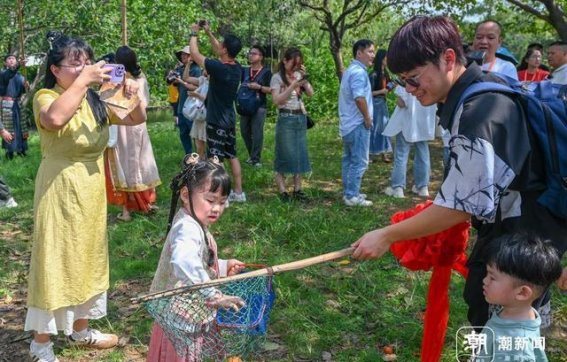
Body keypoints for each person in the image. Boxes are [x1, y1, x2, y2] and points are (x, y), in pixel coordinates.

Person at [352, 16, 567, 331]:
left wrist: (387, 235)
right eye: (402, 82)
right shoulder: (478, 92)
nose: (409, 90)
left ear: (448, 59)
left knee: (500, 321)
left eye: (413, 78)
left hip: (523, 239)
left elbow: (460, 206)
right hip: (525, 230)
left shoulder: (483, 111)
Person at [25, 34, 146, 362]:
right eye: (75, 63)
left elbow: (136, 119)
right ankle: (41, 342)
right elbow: (54, 119)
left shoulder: (97, 98)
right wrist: (85, 81)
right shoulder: (46, 95)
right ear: (55, 69)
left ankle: (81, 329)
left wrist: (131, 93)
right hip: (59, 188)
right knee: (55, 259)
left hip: (91, 190)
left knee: (87, 257)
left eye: (86, 62)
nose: (83, 68)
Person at [147, 155, 245, 361]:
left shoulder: (195, 222)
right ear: (185, 194)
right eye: (210, 200)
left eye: (222, 202)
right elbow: (184, 261)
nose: (217, 208)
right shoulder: (186, 228)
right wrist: (213, 295)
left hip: (188, 315)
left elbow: (198, 260)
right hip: (178, 322)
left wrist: (224, 265)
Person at [474, 233, 562, 361]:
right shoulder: (518, 313)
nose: (485, 281)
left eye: (492, 277)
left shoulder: (514, 350)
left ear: (522, 293)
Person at [189, 21, 246, 203]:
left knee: (215, 158)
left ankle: (222, 196)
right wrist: (208, 32)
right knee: (232, 156)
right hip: (229, 119)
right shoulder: (236, 67)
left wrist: (194, 33)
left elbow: (195, 54)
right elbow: (218, 50)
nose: (218, 46)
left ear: (225, 50)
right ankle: (238, 192)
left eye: (221, 45)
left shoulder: (219, 68)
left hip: (216, 119)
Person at [106, 45, 161, 221]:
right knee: (140, 163)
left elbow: (110, 101)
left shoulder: (123, 80)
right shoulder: (140, 77)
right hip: (137, 124)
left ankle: (127, 210)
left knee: (125, 164)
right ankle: (144, 204)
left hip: (124, 124)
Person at [270, 47, 314, 202]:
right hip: (286, 118)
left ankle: (298, 189)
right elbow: (277, 100)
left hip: (299, 118)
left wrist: (304, 79)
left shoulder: (298, 75)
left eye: (298, 64)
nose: (295, 67)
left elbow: (310, 94)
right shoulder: (276, 77)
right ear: (285, 61)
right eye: (293, 64)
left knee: (299, 154)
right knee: (284, 154)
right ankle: (282, 191)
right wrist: (293, 84)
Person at [339, 39, 375, 207]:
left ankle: (349, 192)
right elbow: (359, 98)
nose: (372, 55)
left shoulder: (350, 70)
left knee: (349, 160)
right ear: (359, 53)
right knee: (360, 161)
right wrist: (367, 118)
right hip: (357, 123)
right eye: (370, 51)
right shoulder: (359, 73)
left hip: (348, 124)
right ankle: (352, 195)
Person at [382, 86, 436, 198]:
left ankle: (398, 188)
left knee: (401, 155)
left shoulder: (408, 80)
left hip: (407, 122)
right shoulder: (430, 79)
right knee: (423, 154)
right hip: (424, 123)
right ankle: (422, 187)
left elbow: (402, 102)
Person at [240, 45, 272, 167]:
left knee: (257, 132)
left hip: (259, 106)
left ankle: (256, 159)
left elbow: (272, 90)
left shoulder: (267, 72)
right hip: (245, 105)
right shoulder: (245, 70)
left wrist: (259, 87)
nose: (250, 55)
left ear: (261, 57)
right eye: (250, 53)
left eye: (254, 53)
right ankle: (252, 156)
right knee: (244, 131)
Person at [168, 46, 202, 155]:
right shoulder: (180, 69)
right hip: (181, 106)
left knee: (194, 134)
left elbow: (197, 88)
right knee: (183, 133)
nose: (183, 56)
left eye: (185, 54)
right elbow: (170, 82)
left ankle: (199, 157)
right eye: (182, 54)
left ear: (191, 56)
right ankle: (189, 155)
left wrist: (181, 81)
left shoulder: (196, 70)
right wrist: (171, 77)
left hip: (192, 107)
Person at [0, 54, 29, 159]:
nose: (11, 60)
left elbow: (23, 91)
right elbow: (9, 74)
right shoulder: (3, 74)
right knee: (9, 127)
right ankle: (10, 151)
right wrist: (18, 65)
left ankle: (21, 149)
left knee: (20, 127)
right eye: (9, 59)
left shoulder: (21, 77)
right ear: (5, 63)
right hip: (7, 105)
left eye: (13, 58)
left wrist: (26, 86)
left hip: (18, 104)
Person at [368, 49, 393, 163]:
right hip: (375, 104)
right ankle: (370, 154)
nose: (388, 60)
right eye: (386, 58)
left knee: (384, 127)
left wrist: (391, 86)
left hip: (383, 103)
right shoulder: (373, 75)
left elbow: (389, 86)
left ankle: (384, 152)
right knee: (375, 127)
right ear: (382, 59)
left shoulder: (385, 74)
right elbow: (368, 93)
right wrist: (382, 91)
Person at [188, 70, 209, 158]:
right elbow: (186, 78)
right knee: (198, 145)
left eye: (205, 68)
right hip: (199, 114)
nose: (203, 70)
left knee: (205, 145)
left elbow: (208, 100)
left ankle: (206, 164)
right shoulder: (202, 80)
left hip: (207, 116)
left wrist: (196, 95)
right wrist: (188, 64)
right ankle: (201, 164)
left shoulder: (215, 83)